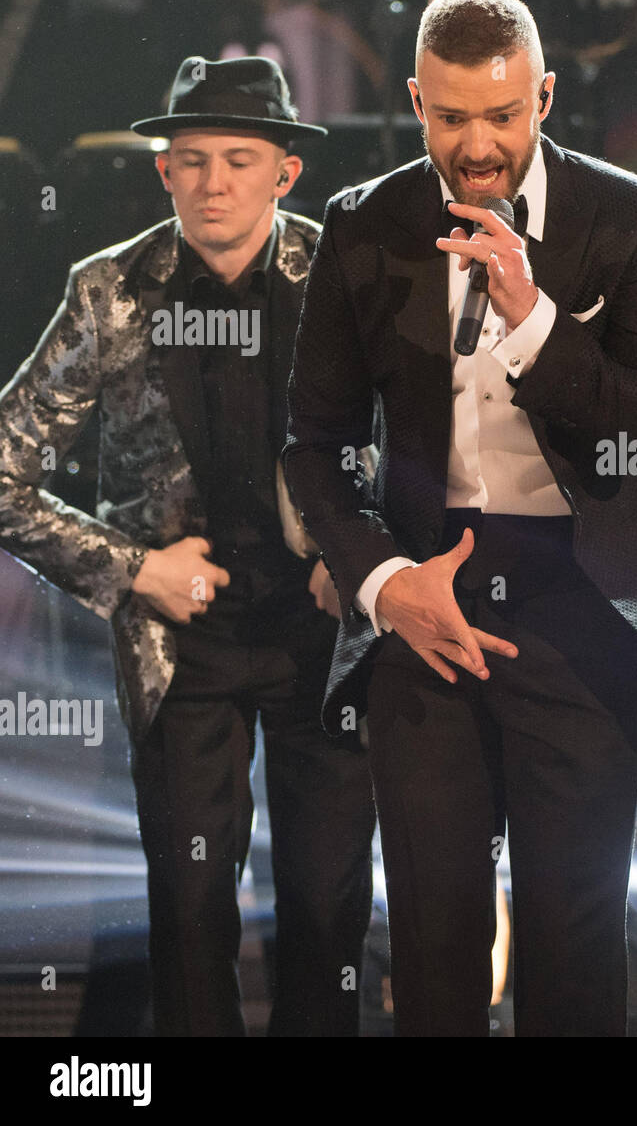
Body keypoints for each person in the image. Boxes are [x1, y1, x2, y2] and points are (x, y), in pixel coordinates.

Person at [283, 0, 637, 1037]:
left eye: (503, 115)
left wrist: (532, 317)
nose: (478, 145)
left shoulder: (633, 216)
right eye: (453, 116)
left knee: (573, 933)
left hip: (584, 592)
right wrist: (385, 583)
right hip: (430, 591)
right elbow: (314, 445)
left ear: (545, 98)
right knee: (433, 940)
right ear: (417, 101)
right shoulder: (362, 228)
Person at [0, 56, 377, 1036]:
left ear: (285, 172)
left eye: (238, 159)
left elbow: (416, 448)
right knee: (188, 917)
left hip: (322, 640)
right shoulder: (108, 292)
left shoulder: (346, 279)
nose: (213, 181)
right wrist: (133, 570)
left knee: (333, 913)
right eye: (191, 159)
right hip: (182, 648)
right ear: (162, 171)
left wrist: (361, 551)